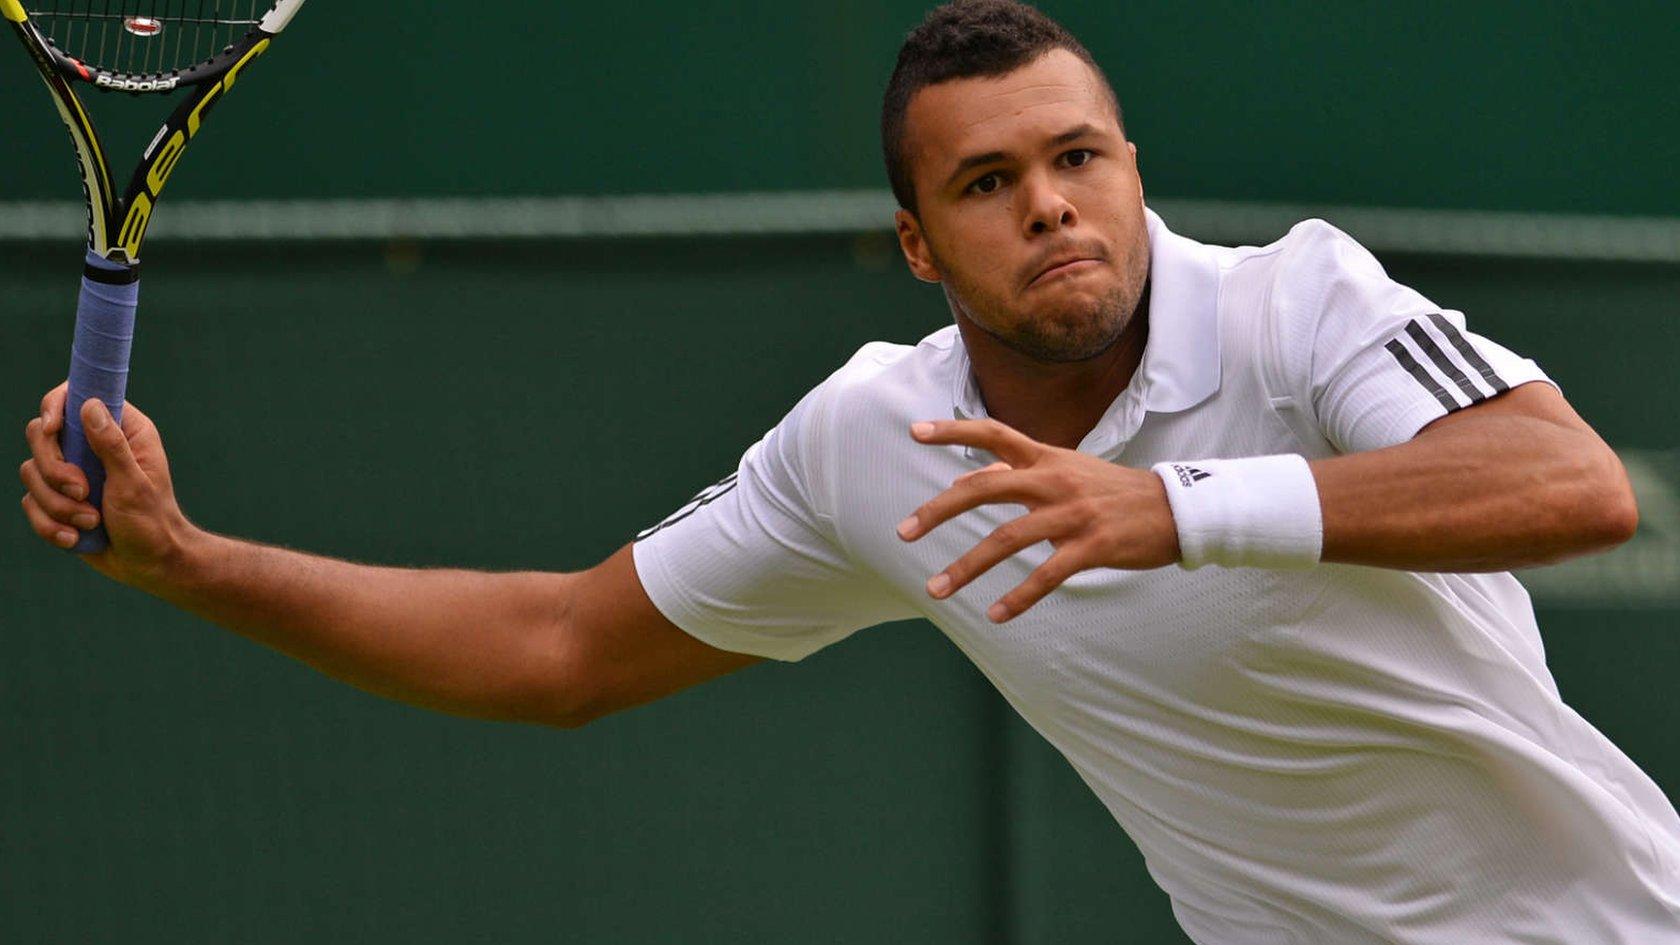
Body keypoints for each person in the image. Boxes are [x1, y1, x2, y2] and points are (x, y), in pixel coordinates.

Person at [19, 1, 1680, 941]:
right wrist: (192, 562)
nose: (1051, 203)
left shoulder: (1296, 300)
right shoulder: (865, 442)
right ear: (914, 241)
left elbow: (1567, 479)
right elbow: (559, 649)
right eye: (990, 179)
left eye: (1081, 157)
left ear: (1132, 170)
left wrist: (1170, 512)